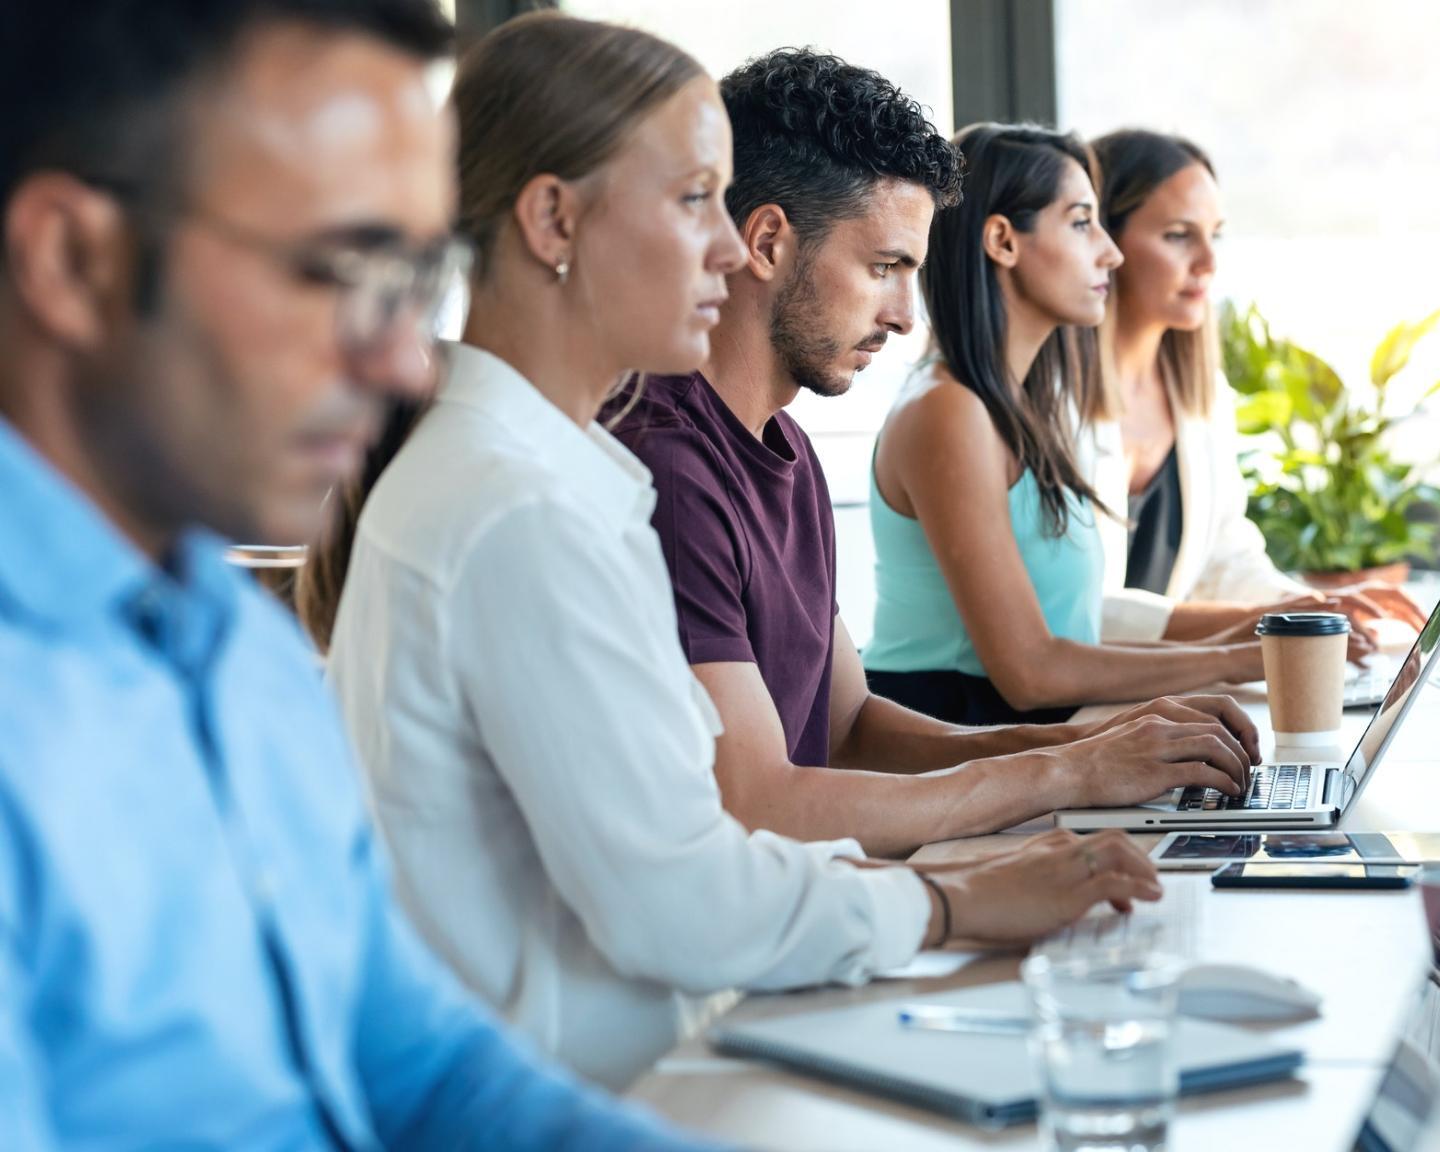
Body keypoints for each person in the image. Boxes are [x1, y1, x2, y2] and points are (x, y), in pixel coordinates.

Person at [309, 16, 1168, 1093]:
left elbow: (772, 778)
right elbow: (682, 891)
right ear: (552, 219)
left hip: (650, 1055)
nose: (727, 246)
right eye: (690, 201)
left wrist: (1048, 793)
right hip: (590, 1095)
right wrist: (960, 892)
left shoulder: (563, 478)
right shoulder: (522, 508)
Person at [0, 3, 722, 1148]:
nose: (399, 359)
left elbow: (419, 1063)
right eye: (341, 268)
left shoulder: (234, 649)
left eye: (413, 274)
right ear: (74, 262)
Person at [610, 51, 1261, 856]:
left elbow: (847, 727)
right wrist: (1062, 777)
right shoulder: (667, 469)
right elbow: (757, 804)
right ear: (769, 242)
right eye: (884, 267)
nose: (904, 317)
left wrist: (1092, 755)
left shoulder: (787, 450)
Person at [863, 124, 1269, 728]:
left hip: (1034, 738)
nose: (1111, 252)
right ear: (1003, 241)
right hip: (952, 745)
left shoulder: (1022, 405)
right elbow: (1031, 673)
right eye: (1082, 223)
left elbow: (1068, 634)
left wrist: (1257, 634)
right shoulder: (947, 411)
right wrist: (1242, 659)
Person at [1085, 128, 1427, 650]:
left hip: (1152, 691)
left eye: (1214, 235)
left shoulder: (1201, 397)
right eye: (1179, 235)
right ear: (1103, 241)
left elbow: (1225, 559)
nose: (1208, 262)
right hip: (1071, 707)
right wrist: (1272, 617)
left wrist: (1310, 609)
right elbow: (1069, 611)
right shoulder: (1049, 400)